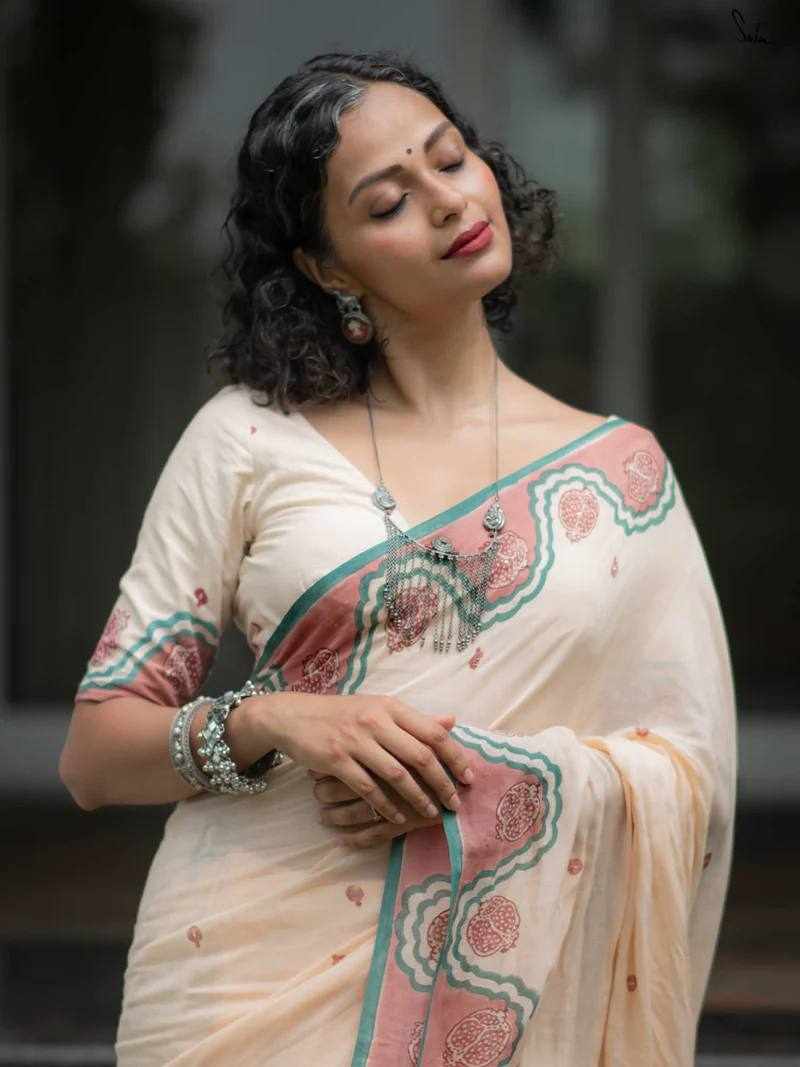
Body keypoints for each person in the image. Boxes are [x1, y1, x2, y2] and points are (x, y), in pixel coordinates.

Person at [59, 49, 737, 1066]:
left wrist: (497, 780)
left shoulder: (621, 478)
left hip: (503, 991)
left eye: (450, 159)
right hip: (239, 981)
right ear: (327, 268)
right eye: (387, 202)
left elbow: (692, 780)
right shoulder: (249, 438)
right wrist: (273, 720)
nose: (446, 201)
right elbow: (94, 755)